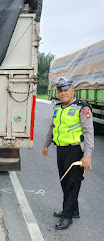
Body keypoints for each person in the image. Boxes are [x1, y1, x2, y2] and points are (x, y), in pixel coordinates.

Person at [42, 77, 94, 230]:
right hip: (61, 150)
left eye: (66, 90)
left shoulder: (82, 109)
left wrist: (87, 156)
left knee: (72, 183)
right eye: (60, 90)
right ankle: (73, 210)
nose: (63, 93)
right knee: (65, 181)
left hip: (75, 151)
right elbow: (53, 127)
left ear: (73, 91)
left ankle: (67, 216)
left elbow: (89, 133)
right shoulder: (57, 107)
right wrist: (46, 144)